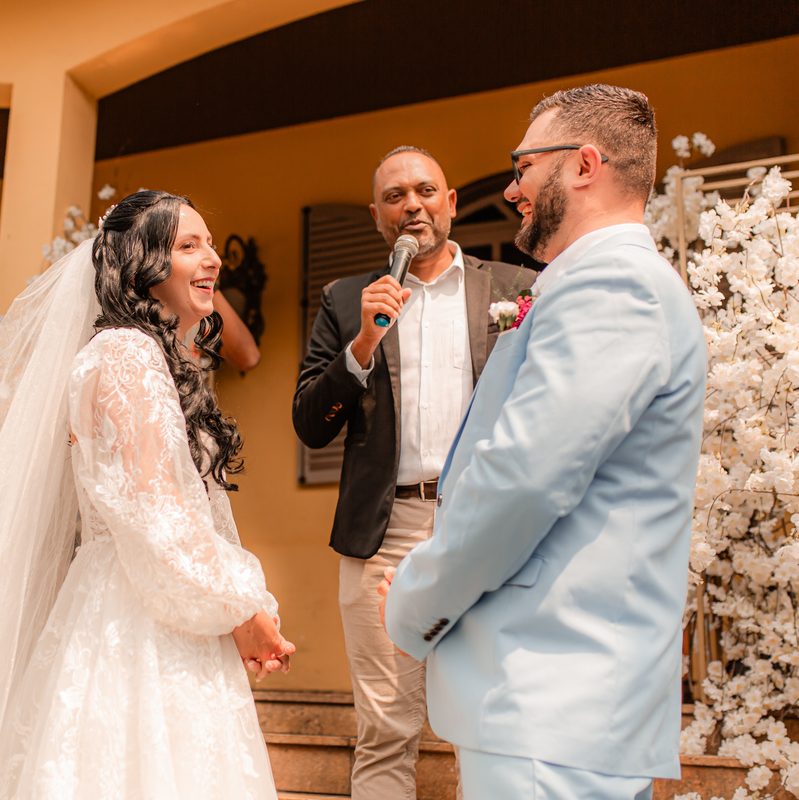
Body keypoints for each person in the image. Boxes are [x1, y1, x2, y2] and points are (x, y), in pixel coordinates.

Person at [0, 191, 294, 800]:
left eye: (210, 243)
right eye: (188, 245)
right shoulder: (126, 354)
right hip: (139, 618)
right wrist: (241, 608)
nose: (213, 259)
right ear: (144, 266)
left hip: (158, 598)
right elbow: (152, 509)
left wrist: (234, 603)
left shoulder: (147, 357)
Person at [380, 85, 707, 800]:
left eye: (524, 164)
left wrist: (415, 596)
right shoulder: (590, 283)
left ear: (583, 164)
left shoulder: (615, 285)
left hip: (554, 691)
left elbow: (525, 479)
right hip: (550, 699)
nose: (511, 186)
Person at [293, 147, 534, 799]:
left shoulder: (516, 291)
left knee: (491, 724)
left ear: (450, 202)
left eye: (425, 190)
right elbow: (311, 423)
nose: (412, 205)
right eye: (395, 196)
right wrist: (361, 346)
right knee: (386, 728)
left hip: (486, 528)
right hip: (385, 532)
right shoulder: (346, 301)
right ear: (378, 217)